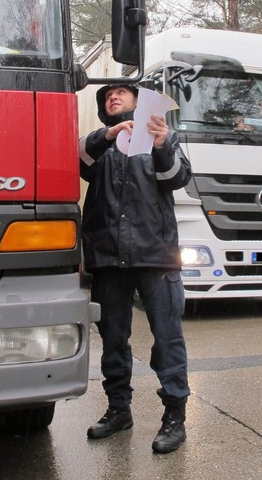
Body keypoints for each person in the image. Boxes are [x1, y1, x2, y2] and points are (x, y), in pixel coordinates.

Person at [79, 83, 192, 454]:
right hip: (109, 258)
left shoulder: (164, 137)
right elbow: (77, 164)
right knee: (113, 340)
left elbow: (177, 178)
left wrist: (160, 146)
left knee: (167, 336)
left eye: (122, 93)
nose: (114, 97)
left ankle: (174, 416)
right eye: (107, 95)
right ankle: (118, 410)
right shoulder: (98, 144)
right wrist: (106, 136)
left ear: (138, 102)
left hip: (155, 255)